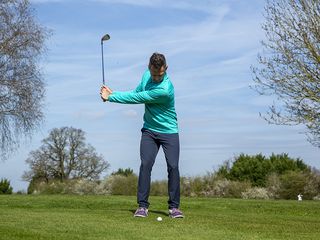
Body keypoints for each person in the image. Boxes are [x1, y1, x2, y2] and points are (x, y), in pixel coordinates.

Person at [100, 52, 184, 218]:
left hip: (169, 131)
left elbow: (138, 98)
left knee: (173, 167)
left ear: (166, 69)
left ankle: (174, 207)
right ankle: (142, 206)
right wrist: (113, 93)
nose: (156, 78)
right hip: (150, 130)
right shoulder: (147, 76)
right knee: (146, 164)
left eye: (160, 75)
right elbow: (136, 91)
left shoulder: (165, 90)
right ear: (149, 68)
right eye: (153, 74)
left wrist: (111, 97)